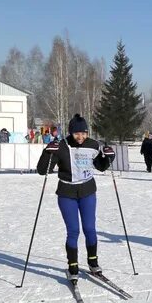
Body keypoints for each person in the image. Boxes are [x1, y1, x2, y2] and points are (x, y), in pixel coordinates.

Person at [36, 114, 115, 281]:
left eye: (84, 133)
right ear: (71, 132)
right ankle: (73, 265)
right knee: (73, 231)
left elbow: (100, 166)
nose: (81, 137)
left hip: (87, 192)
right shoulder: (62, 146)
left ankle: (93, 262)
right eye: (77, 133)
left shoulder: (93, 145)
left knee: (90, 229)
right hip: (67, 194)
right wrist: (46, 152)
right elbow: (43, 170)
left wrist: (108, 157)